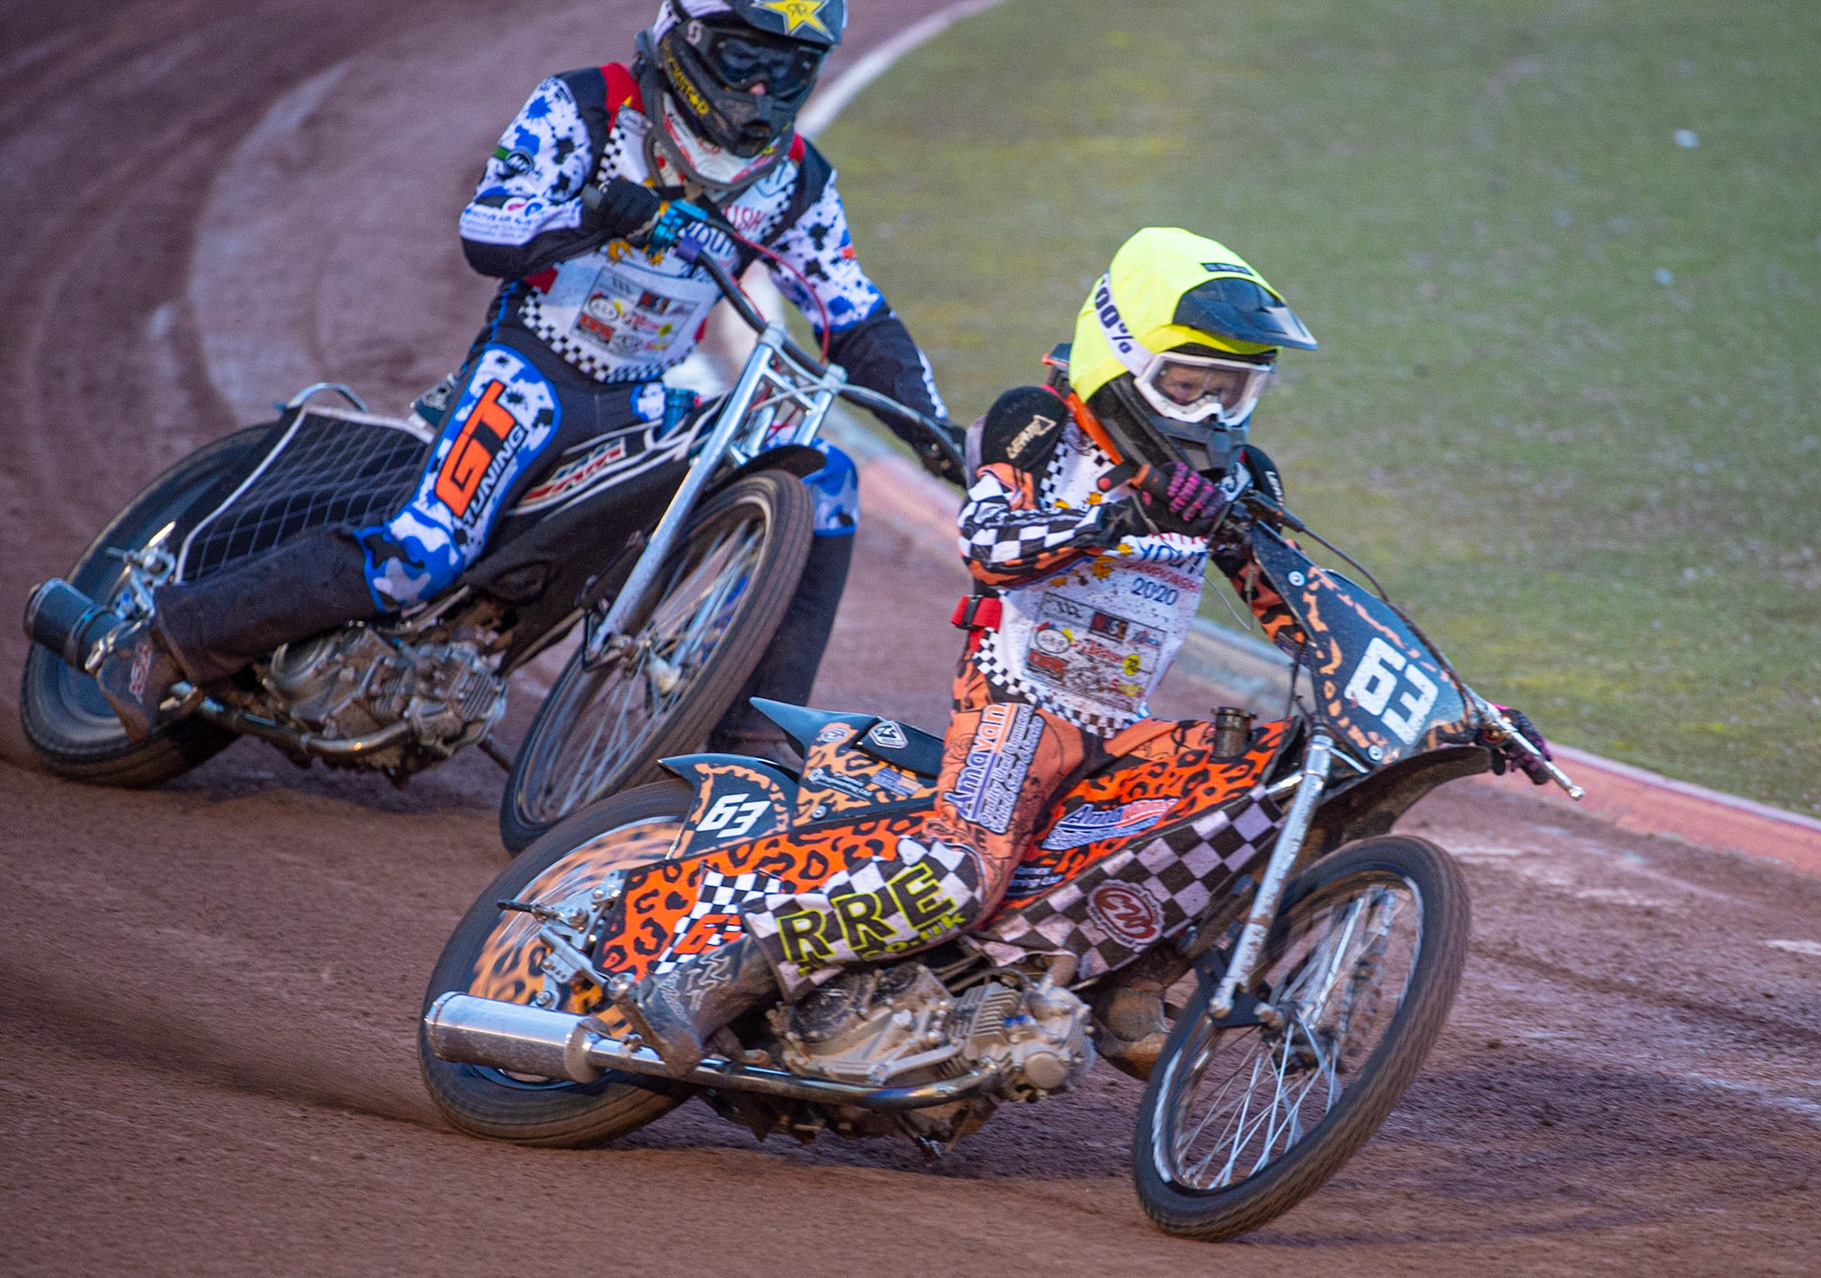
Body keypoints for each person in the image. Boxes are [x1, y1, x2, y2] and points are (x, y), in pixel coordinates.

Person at [631, 226, 1556, 1073]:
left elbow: (1303, 606)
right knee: (961, 874)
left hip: (1114, 729)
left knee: (1275, 787)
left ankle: (1130, 984)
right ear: (1124, 356)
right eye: (1189, 384)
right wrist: (1121, 517)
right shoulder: (1040, 423)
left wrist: (1455, 705)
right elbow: (988, 545)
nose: (1211, 411)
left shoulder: (1237, 479)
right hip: (1013, 702)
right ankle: (723, 971)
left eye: (1233, 390)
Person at [92, 0, 949, 753]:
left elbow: (855, 313)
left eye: (789, 69)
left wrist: (934, 430)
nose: (762, 88)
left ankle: (755, 737)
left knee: (827, 479)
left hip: (646, 398)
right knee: (420, 557)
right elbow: (486, 229)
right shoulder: (585, 106)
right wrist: (594, 214)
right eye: (745, 59)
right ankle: (165, 641)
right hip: (530, 372)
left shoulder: (797, 180)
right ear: (687, 39)